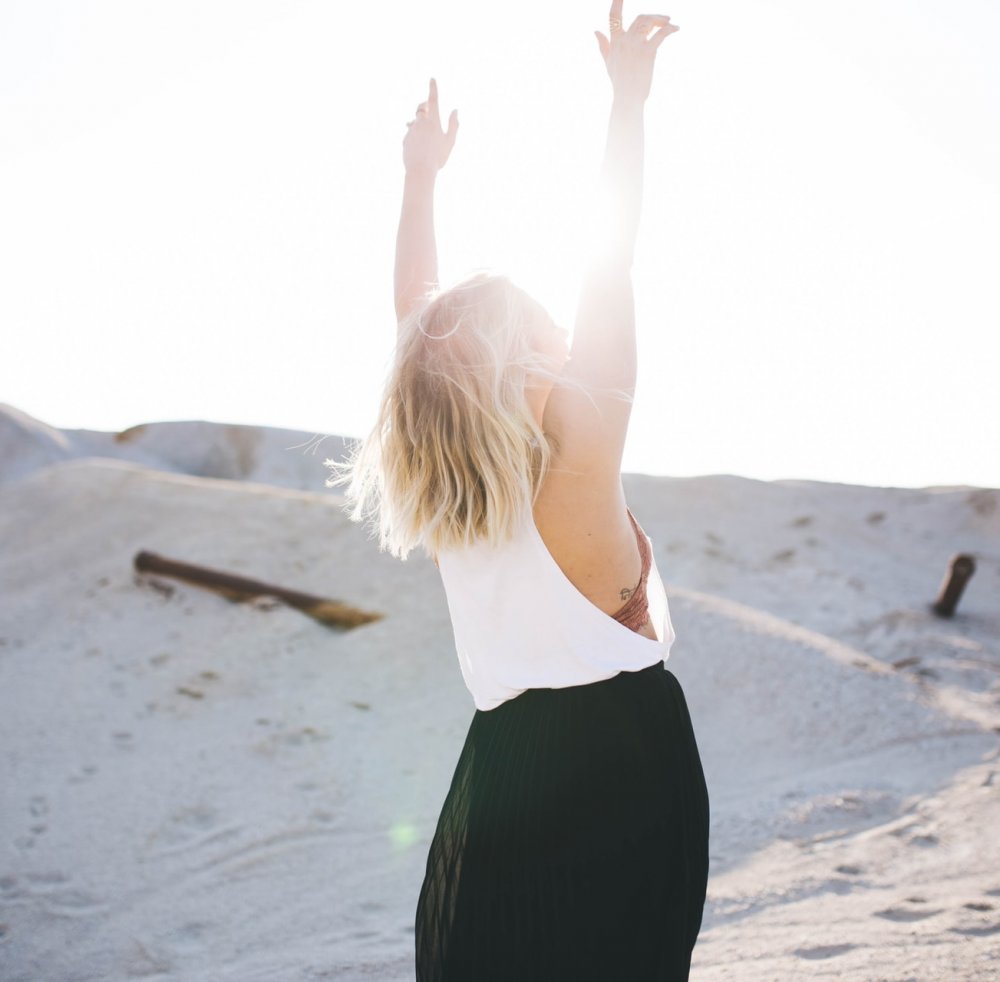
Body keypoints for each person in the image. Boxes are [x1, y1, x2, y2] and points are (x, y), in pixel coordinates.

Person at [332, 3, 709, 978]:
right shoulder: (580, 451)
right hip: (623, 769)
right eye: (547, 324)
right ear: (532, 352)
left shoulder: (463, 501)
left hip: (499, 772)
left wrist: (418, 181)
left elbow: (413, 318)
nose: (563, 335)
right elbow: (611, 261)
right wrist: (628, 104)